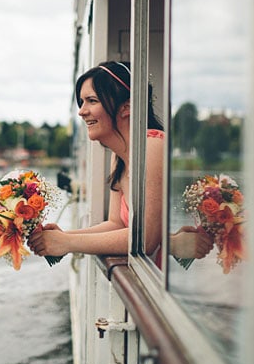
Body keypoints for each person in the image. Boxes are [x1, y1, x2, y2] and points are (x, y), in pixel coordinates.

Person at [28, 60, 213, 265]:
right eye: (82, 102)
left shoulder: (152, 145)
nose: (82, 111)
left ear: (126, 107)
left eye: (92, 100)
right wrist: (63, 236)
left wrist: (67, 243)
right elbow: (115, 224)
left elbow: (147, 239)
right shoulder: (119, 156)